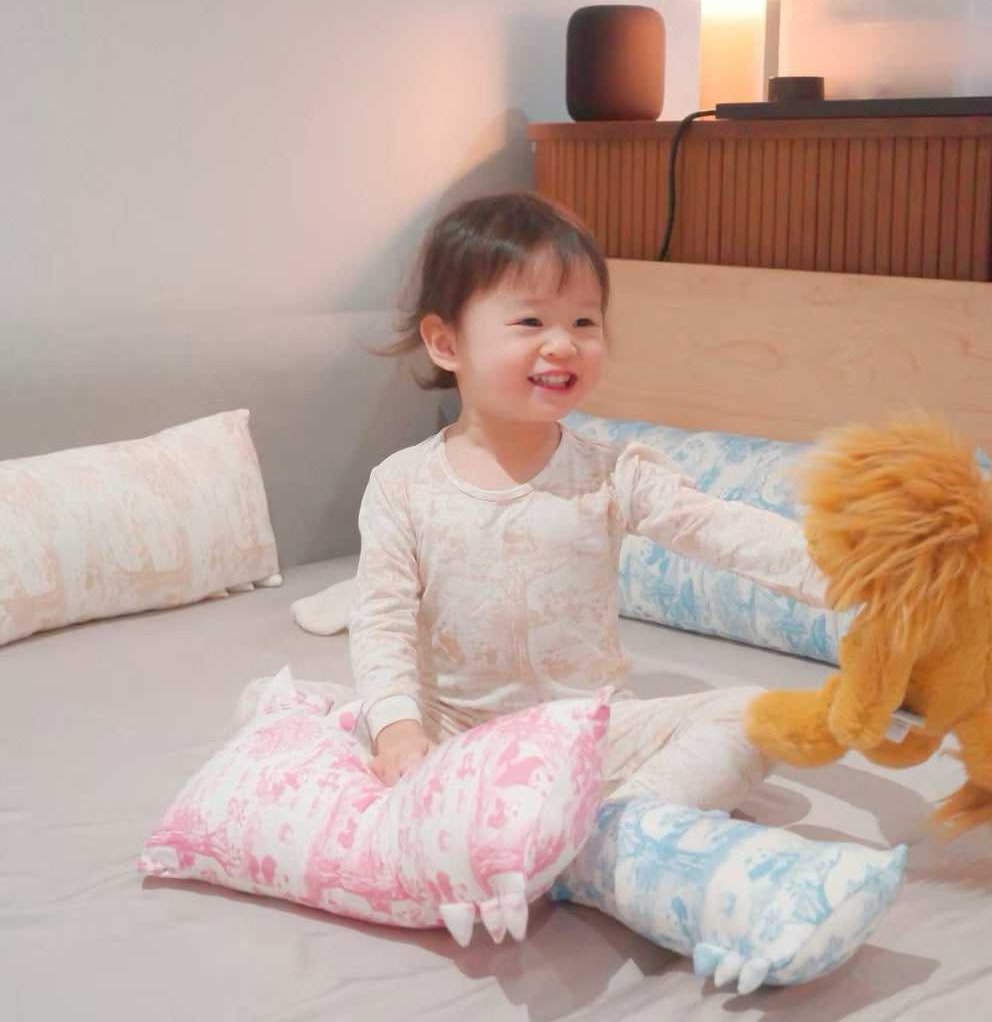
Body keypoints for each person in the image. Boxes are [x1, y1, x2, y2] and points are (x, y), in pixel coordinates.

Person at [349, 190, 829, 810]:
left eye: (584, 322)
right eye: (530, 322)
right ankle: (561, 828)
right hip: (454, 737)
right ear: (447, 343)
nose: (562, 344)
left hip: (584, 738)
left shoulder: (612, 472)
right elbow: (381, 623)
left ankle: (609, 836)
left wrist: (855, 573)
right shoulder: (402, 484)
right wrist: (399, 731)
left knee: (755, 718)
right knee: (358, 731)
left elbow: (718, 528)